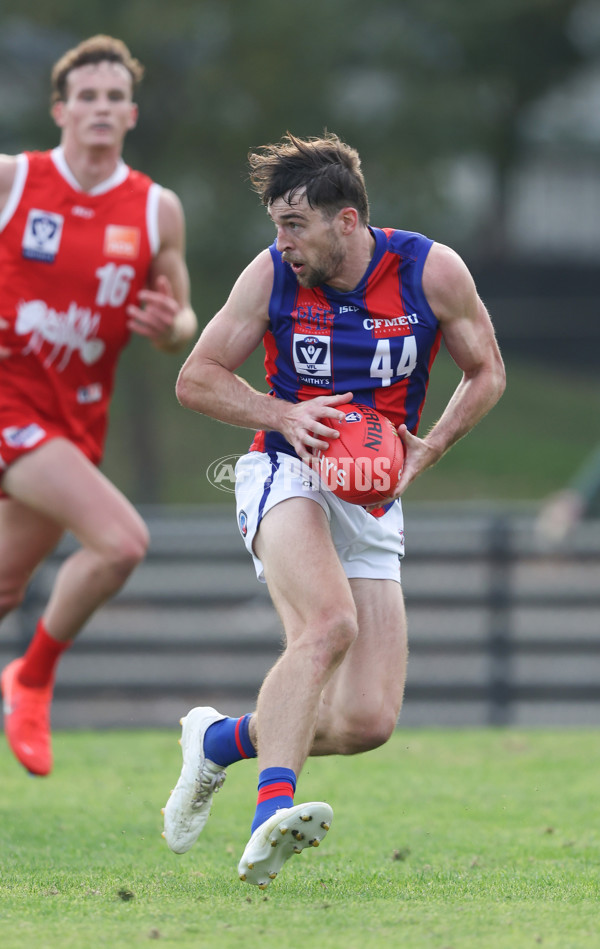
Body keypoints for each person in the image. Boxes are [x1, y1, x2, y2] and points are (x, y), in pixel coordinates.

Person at [162, 132, 505, 888]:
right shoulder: (272, 277)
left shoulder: (430, 269)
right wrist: (284, 414)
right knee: (327, 624)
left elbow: (487, 372)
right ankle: (266, 822)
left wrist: (430, 447)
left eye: (294, 225)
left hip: (373, 494)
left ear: (345, 222)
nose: (280, 241)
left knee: (367, 720)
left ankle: (222, 739)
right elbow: (196, 377)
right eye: (276, 224)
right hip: (283, 469)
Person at [0, 35, 197, 777]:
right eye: (87, 96)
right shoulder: (15, 180)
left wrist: (169, 327)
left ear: (132, 113)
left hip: (72, 422)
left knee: (7, 587)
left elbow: (183, 321)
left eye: (115, 97)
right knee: (121, 542)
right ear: (60, 109)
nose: (101, 108)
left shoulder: (155, 209)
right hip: (9, 404)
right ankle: (33, 678)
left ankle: (23, 675)